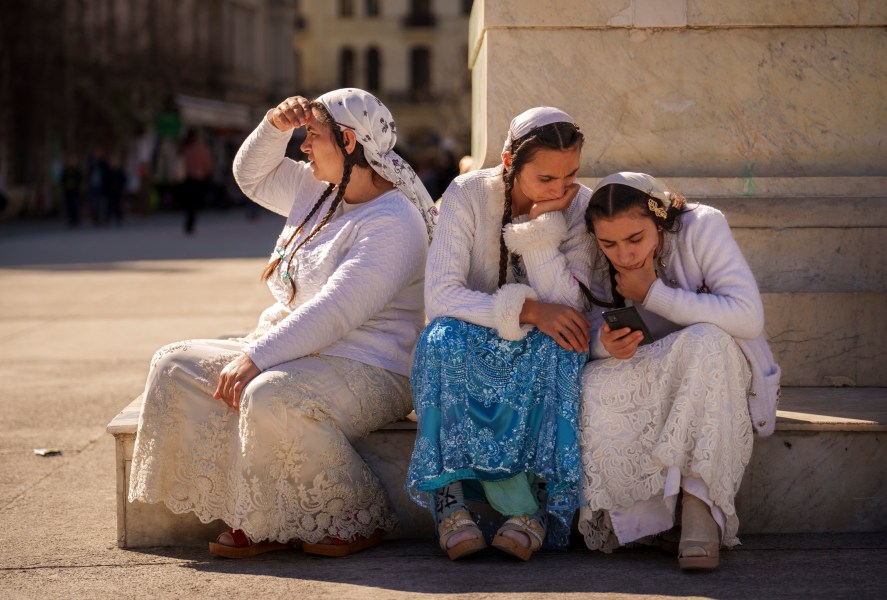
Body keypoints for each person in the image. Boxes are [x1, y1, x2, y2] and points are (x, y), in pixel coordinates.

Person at [128, 88, 436, 558]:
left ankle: (352, 517)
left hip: (371, 366)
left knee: (269, 393)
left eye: (311, 136)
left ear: (349, 141)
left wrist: (256, 357)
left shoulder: (395, 222)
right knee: (174, 365)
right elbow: (249, 176)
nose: (304, 146)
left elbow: (336, 310)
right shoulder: (318, 187)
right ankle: (258, 513)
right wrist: (275, 125)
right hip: (294, 349)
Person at [406, 107, 598, 561]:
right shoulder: (468, 193)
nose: (561, 188)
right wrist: (527, 310)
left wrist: (540, 231)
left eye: (570, 174)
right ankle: (450, 502)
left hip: (536, 345)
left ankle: (529, 507)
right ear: (510, 162)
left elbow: (571, 309)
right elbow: (441, 297)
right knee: (440, 340)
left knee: (564, 343)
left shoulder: (579, 203)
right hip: (471, 334)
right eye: (546, 178)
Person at [576, 172, 781, 570]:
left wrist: (655, 294)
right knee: (592, 381)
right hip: (654, 366)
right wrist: (605, 344)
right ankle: (650, 518)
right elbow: (583, 331)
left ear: (662, 221)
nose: (623, 254)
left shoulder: (702, 226)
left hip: (720, 362)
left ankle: (699, 506)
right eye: (609, 243)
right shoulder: (594, 251)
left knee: (705, 341)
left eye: (636, 239)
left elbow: (748, 317)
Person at [178, 129, 214, 234]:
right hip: (198, 178)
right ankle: (191, 223)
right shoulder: (201, 148)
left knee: (188, 202)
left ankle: (188, 222)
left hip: (186, 178)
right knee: (194, 202)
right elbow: (208, 163)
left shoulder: (185, 148)